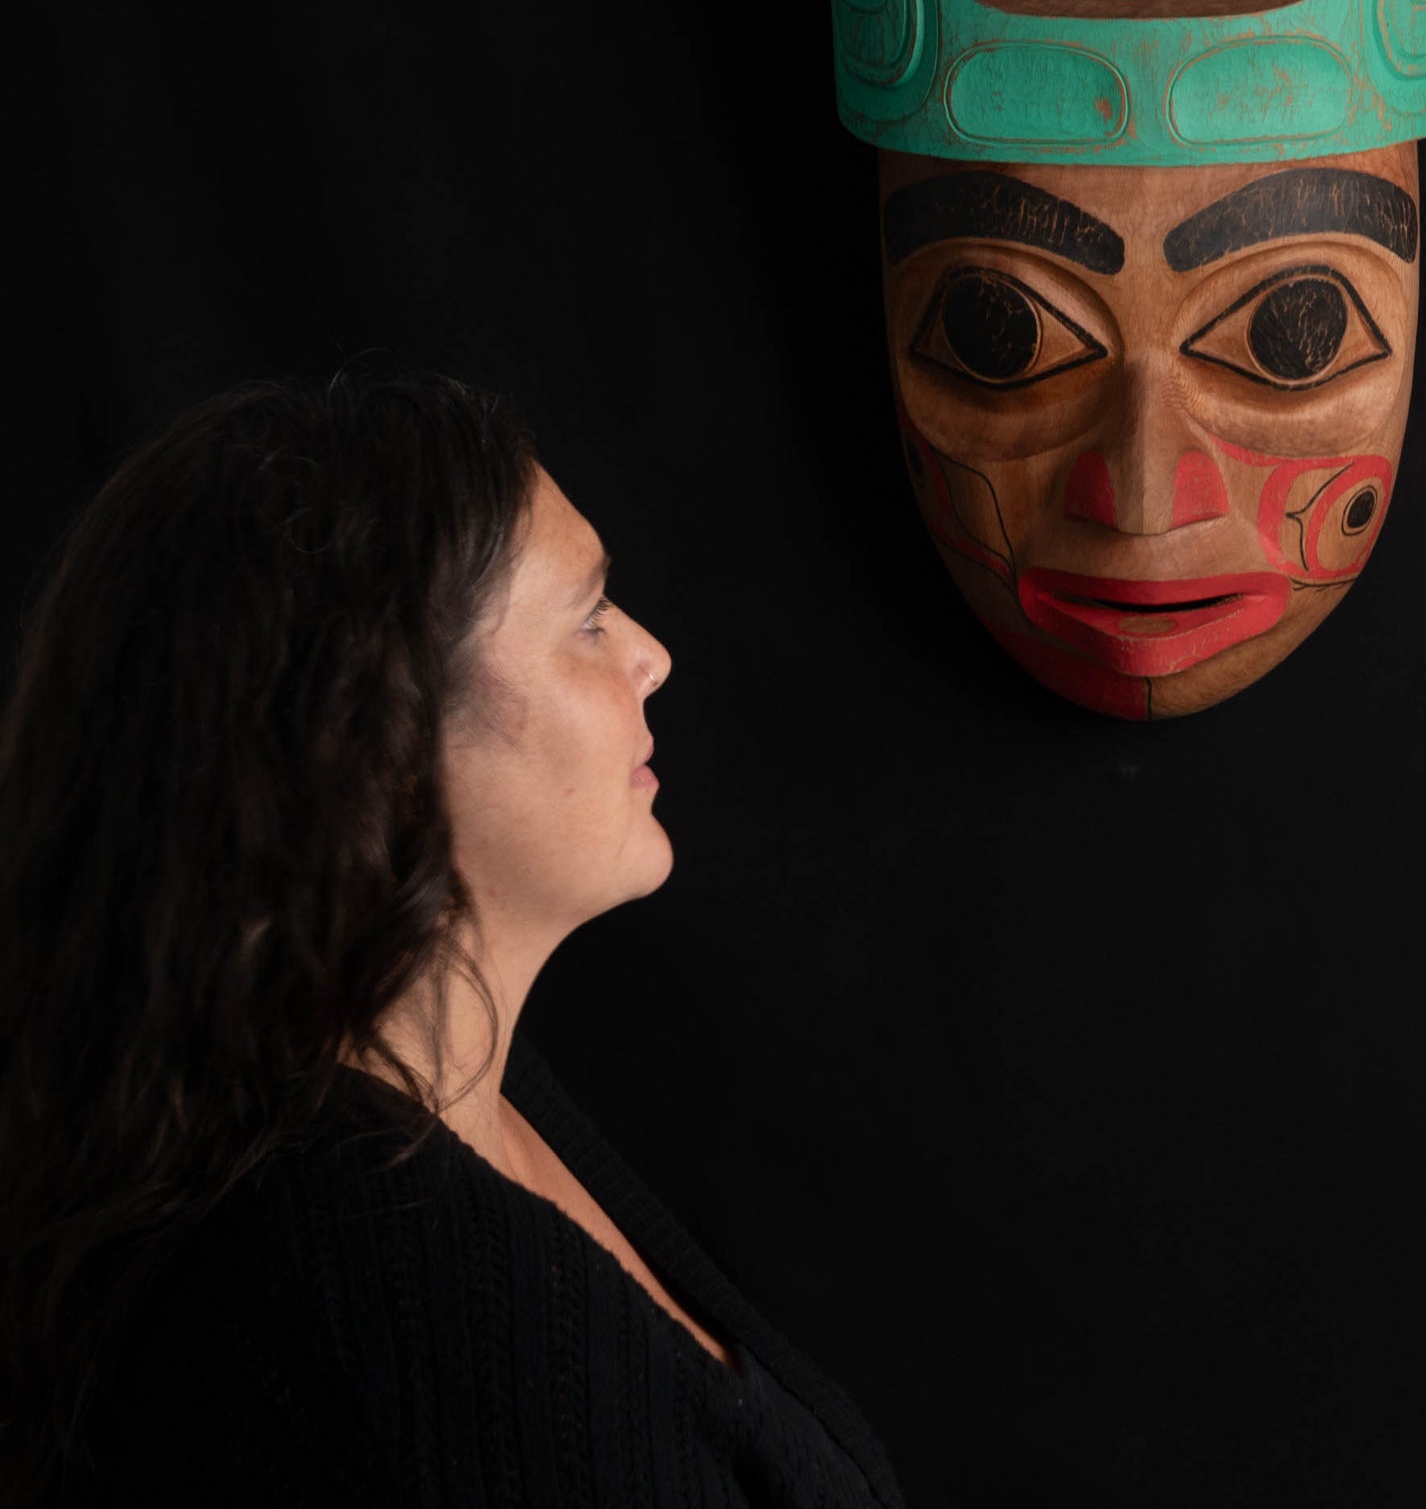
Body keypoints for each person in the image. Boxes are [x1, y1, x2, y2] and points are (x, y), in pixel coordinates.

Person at [0, 362, 903, 1507]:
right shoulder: (377, 1287)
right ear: (374, 739)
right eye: (587, 617)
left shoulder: (463, 1091)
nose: (650, 653)